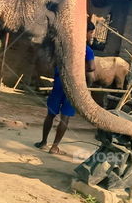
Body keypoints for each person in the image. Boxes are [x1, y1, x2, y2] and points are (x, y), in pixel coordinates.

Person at [35, 23, 97, 155]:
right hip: (73, 85)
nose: (91, 35)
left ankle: (43, 142)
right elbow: (91, 68)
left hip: (59, 81)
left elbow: (53, 62)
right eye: (90, 32)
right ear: (85, 33)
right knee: (65, 117)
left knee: (50, 114)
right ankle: (54, 147)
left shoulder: (64, 46)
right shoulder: (87, 50)